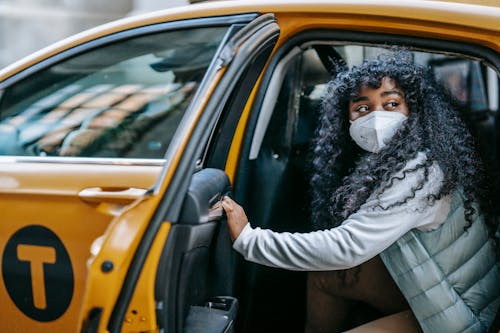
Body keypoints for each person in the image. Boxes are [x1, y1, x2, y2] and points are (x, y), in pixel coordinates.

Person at [221, 53, 500, 333]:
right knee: (326, 275)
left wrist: (250, 240)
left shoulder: (419, 172)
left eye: (391, 104)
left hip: (460, 317)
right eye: (363, 108)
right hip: (448, 288)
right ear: (347, 117)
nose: (378, 117)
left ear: (413, 109)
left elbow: (347, 247)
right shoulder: (402, 156)